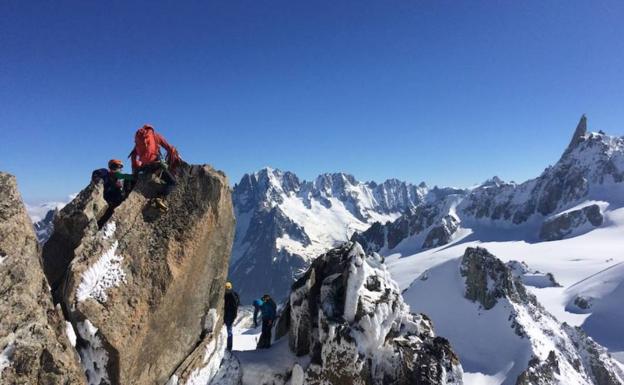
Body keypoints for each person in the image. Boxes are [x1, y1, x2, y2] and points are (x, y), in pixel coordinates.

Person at [128, 124, 181, 211]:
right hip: (156, 165)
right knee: (172, 182)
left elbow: (133, 155)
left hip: (144, 168)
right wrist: (176, 155)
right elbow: (169, 148)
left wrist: (136, 169)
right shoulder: (155, 136)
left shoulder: (139, 140)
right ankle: (159, 198)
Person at [92, 159, 134, 227]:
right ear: (110, 167)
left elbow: (129, 177)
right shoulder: (105, 173)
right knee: (106, 215)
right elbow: (96, 173)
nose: (117, 169)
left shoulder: (118, 178)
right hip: (106, 201)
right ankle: (99, 225)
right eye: (115, 166)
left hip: (115, 201)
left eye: (119, 167)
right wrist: (98, 180)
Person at [223, 282, 240, 351]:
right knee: (229, 331)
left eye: (227, 288)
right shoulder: (230, 294)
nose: (226, 289)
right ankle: (229, 346)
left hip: (229, 315)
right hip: (229, 315)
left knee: (229, 331)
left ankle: (229, 347)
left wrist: (233, 317)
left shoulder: (230, 295)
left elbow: (234, 307)